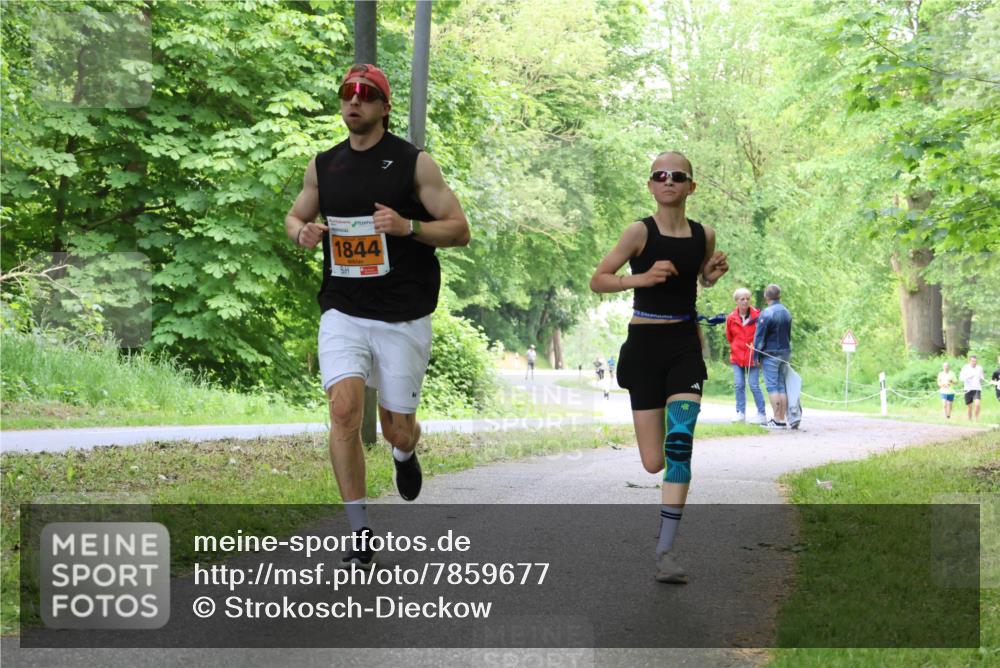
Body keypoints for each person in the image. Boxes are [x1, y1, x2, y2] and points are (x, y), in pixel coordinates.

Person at [284, 64, 470, 568]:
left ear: (384, 107)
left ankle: (405, 453)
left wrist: (410, 227)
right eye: (347, 92)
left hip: (403, 315)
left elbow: (459, 229)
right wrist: (300, 232)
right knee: (343, 411)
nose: (354, 100)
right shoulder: (324, 165)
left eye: (366, 94)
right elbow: (296, 215)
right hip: (343, 308)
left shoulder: (414, 164)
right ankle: (359, 530)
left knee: (395, 429)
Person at [589, 150, 728, 584]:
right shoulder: (639, 232)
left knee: (680, 443)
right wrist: (640, 278)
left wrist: (710, 275)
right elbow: (599, 279)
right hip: (644, 347)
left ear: (691, 186)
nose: (669, 180)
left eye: (678, 176)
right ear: (650, 185)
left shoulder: (704, 234)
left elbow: (697, 280)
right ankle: (665, 457)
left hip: (684, 344)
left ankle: (666, 551)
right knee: (653, 462)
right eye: (660, 175)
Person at [752, 284, 793, 429]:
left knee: (772, 386)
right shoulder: (787, 312)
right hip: (785, 353)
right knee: (781, 386)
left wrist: (756, 355)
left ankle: (776, 420)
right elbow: (788, 335)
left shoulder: (767, 313)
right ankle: (781, 420)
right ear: (779, 296)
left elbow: (760, 337)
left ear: (766, 296)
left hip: (770, 354)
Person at [724, 288, 767, 424]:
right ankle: (740, 413)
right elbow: (729, 337)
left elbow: (762, 336)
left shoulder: (758, 316)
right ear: (736, 301)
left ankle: (762, 414)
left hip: (753, 357)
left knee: (754, 385)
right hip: (737, 357)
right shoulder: (731, 318)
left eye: (747, 298)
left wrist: (758, 352)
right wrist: (737, 348)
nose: (745, 301)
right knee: (739, 385)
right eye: (742, 299)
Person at [959, 354, 985, 421]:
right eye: (973, 361)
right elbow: (961, 378)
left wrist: (982, 379)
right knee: (970, 407)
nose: (974, 363)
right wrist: (968, 377)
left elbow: (982, 377)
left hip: (977, 389)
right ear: (969, 361)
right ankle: (970, 419)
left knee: (977, 404)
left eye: (975, 361)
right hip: (968, 389)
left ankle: (976, 419)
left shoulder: (980, 368)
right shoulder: (965, 367)